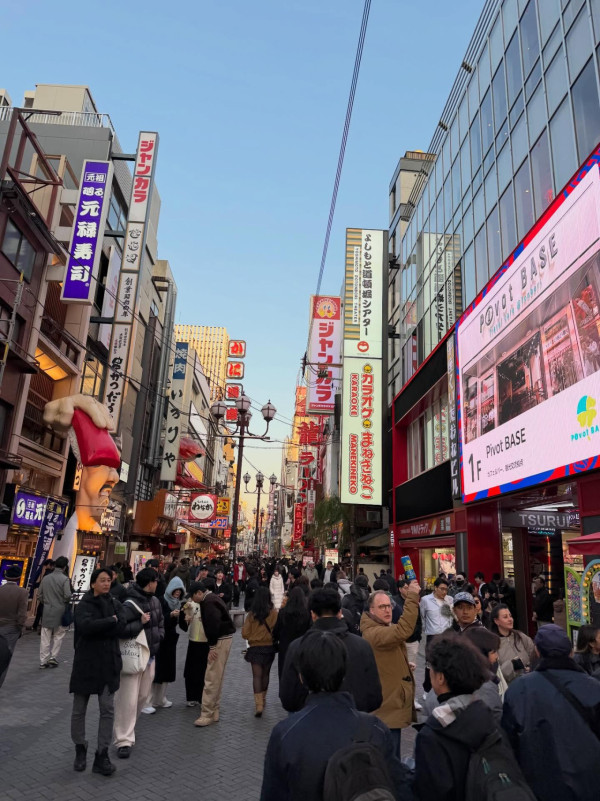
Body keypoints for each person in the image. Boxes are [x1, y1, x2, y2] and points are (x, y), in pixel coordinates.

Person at [261, 631, 412, 801]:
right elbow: (400, 789)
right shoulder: (376, 729)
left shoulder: (285, 734)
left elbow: (271, 794)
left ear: (301, 677)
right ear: (344, 672)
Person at [502, 624, 600, 801]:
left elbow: (510, 741)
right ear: (571, 652)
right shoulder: (593, 686)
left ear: (538, 651)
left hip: (541, 783)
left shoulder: (518, 690)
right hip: (589, 782)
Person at [414, 632, 509, 801]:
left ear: (441, 677)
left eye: (430, 667)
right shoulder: (485, 714)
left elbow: (431, 790)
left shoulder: (433, 733)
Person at [280, 586, 382, 713]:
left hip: (309, 718)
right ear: (340, 613)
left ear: (313, 614)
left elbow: (288, 698)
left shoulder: (297, 646)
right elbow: (374, 697)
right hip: (352, 718)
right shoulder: (362, 646)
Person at [69, 567, 126, 776]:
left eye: (109, 580)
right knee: (79, 709)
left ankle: (102, 754)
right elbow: (85, 627)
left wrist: (104, 625)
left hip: (108, 663)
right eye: (102, 580)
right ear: (93, 583)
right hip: (85, 663)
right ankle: (80, 748)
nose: (106, 583)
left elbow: (122, 625)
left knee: (107, 709)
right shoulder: (84, 604)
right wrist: (110, 621)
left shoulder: (115, 603)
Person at [361, 582, 420, 756]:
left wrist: (403, 664)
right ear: (371, 610)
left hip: (390, 705)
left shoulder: (381, 627)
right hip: (386, 710)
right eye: (382, 607)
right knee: (391, 760)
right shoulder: (374, 632)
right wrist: (412, 598)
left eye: (389, 606)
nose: (388, 610)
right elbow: (403, 630)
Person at [113, 568, 164, 758]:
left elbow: (160, 622)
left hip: (150, 655)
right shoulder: (129, 603)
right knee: (127, 698)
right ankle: (123, 739)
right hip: (132, 656)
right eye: (156, 581)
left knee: (142, 696)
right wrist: (140, 623)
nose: (157, 584)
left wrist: (159, 636)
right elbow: (119, 629)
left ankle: (128, 727)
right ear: (149, 583)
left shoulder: (155, 601)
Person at [192, 578, 236, 727]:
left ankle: (207, 713)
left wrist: (211, 646)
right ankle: (214, 710)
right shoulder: (212, 598)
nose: (192, 600)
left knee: (211, 677)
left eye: (193, 596)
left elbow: (213, 624)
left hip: (219, 640)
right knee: (217, 676)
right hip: (224, 638)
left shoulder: (208, 602)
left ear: (199, 593)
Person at [147, 576, 184, 711]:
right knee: (156, 670)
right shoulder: (161, 601)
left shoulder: (178, 604)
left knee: (167, 670)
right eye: (175, 590)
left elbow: (181, 624)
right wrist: (171, 616)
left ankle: (161, 698)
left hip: (170, 639)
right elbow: (158, 619)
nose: (177, 593)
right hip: (160, 639)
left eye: (180, 591)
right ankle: (150, 700)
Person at [241, 587, 278, 716]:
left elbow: (245, 633)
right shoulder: (274, 613)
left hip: (255, 648)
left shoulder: (252, 615)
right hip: (269, 647)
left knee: (256, 676)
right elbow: (277, 630)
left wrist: (253, 636)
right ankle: (263, 698)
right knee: (265, 674)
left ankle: (259, 705)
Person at [419, 577, 454, 693]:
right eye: (442, 589)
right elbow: (422, 617)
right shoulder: (425, 600)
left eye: (446, 589)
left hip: (447, 636)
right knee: (430, 664)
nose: (444, 592)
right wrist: (427, 629)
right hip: (433, 636)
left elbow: (451, 617)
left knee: (446, 662)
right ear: (435, 588)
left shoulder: (449, 600)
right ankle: (427, 689)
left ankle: (444, 687)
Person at [38, 555, 72, 669]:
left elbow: (39, 595)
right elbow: (67, 595)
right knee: (58, 635)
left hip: (47, 610)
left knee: (45, 636)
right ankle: (53, 657)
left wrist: (46, 602)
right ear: (64, 567)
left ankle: (43, 661)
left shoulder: (46, 578)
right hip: (60, 610)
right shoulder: (65, 579)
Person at [179, 584, 210, 707]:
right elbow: (183, 624)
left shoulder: (209, 604)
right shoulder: (190, 604)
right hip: (193, 642)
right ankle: (191, 697)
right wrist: (184, 614)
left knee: (204, 671)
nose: (191, 598)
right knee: (191, 672)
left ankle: (202, 697)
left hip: (206, 642)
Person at [272, 586, 311, 682]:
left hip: (285, 647)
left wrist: (276, 642)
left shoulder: (283, 613)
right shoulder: (307, 614)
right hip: (302, 647)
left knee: (285, 673)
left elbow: (276, 631)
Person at [490, 603, 535, 684]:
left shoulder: (520, 636)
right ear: (496, 621)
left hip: (529, 682)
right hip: (509, 686)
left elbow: (534, 654)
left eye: (510, 616)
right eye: (505, 617)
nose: (510, 619)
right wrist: (512, 664)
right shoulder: (492, 644)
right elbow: (495, 674)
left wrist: (530, 667)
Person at [0, 565, 28, 688]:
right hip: (11, 628)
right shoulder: (22, 592)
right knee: (5, 658)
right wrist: (21, 627)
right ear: (18, 577)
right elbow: (22, 614)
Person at [31, 559, 54, 631]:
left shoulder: (48, 573)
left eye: (46, 565)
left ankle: (38, 627)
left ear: (49, 565)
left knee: (41, 611)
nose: (45, 567)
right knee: (41, 611)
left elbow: (42, 583)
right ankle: (37, 626)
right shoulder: (52, 573)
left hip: (45, 595)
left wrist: (35, 585)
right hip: (49, 595)